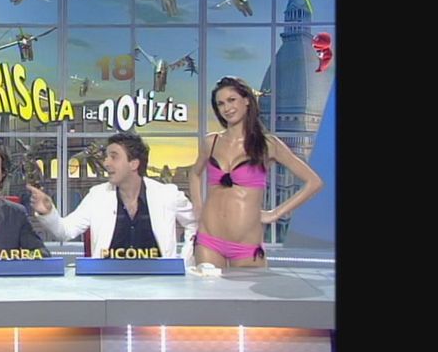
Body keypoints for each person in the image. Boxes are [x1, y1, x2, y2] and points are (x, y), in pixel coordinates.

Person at [189, 76, 323, 268]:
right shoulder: (211, 142)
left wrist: (275, 213)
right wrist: (197, 206)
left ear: (246, 101)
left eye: (231, 100)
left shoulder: (268, 144)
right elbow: (195, 174)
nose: (227, 108)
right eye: (221, 104)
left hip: (246, 246)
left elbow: (314, 182)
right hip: (208, 240)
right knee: (207, 287)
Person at [28, 133, 197, 264]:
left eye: (114, 157)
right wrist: (48, 212)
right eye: (107, 157)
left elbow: (195, 224)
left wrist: (185, 262)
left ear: (134, 163)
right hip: (107, 284)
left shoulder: (167, 195)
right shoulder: (97, 196)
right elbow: (66, 231)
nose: (106, 163)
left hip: (160, 284)